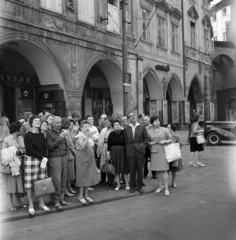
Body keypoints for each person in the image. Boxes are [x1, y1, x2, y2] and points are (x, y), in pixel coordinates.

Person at [24, 116, 51, 215]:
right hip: (31, 160)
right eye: (36, 120)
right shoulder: (28, 135)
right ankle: (30, 204)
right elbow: (30, 150)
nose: (38, 122)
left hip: (42, 160)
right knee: (29, 183)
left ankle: (41, 203)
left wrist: (45, 157)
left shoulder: (41, 135)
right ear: (31, 123)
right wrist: (42, 158)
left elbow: (44, 147)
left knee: (41, 182)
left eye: (39, 121)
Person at [46, 116, 70, 211]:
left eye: (60, 122)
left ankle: (62, 199)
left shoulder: (62, 132)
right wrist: (60, 138)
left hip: (64, 156)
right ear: (52, 124)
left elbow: (65, 144)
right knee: (57, 180)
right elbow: (50, 146)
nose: (59, 124)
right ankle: (56, 201)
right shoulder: (49, 133)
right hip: (55, 158)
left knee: (64, 179)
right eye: (57, 122)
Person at [1, 121, 25, 212]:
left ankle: (18, 202)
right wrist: (15, 152)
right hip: (10, 166)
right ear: (17, 128)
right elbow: (3, 152)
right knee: (10, 186)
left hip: (18, 165)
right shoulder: (7, 139)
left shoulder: (20, 138)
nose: (23, 129)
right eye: (21, 127)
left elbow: (23, 149)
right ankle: (10, 204)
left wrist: (21, 150)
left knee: (18, 184)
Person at [75, 120, 100, 204]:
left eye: (87, 126)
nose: (87, 128)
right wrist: (88, 136)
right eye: (84, 127)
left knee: (88, 176)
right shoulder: (79, 135)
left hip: (89, 158)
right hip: (82, 158)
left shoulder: (87, 135)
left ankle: (86, 195)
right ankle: (80, 196)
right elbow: (82, 146)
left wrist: (89, 136)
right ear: (81, 128)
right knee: (83, 176)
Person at [124, 113, 149, 193]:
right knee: (131, 169)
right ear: (129, 119)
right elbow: (125, 141)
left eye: (134, 115)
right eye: (131, 116)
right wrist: (126, 151)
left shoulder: (142, 127)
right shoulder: (126, 128)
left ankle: (139, 187)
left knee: (140, 169)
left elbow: (147, 139)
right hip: (130, 150)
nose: (133, 117)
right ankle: (132, 186)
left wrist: (142, 146)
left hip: (140, 151)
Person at [147, 116, 172, 196]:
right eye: (155, 121)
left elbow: (171, 140)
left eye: (158, 121)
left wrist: (164, 141)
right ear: (152, 123)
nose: (157, 122)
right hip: (154, 152)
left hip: (163, 151)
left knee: (164, 170)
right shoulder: (149, 131)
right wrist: (154, 142)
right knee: (157, 171)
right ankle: (160, 187)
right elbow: (147, 142)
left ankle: (166, 189)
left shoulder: (165, 130)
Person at [107, 119, 130, 190]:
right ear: (113, 127)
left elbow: (128, 143)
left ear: (120, 125)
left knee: (124, 168)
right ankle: (118, 184)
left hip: (123, 152)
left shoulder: (124, 132)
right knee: (116, 169)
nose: (117, 126)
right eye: (115, 125)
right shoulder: (111, 134)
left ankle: (127, 184)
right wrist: (108, 155)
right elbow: (109, 146)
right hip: (114, 152)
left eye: (118, 125)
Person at [61, 118, 76, 196]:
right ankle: (66, 190)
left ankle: (69, 188)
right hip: (68, 155)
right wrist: (75, 153)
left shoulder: (64, 132)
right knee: (67, 174)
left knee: (67, 174)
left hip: (67, 154)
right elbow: (70, 145)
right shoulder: (66, 133)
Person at [97, 117, 114, 186]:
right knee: (106, 164)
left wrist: (108, 140)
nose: (106, 123)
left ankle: (113, 181)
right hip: (104, 148)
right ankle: (108, 180)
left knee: (112, 164)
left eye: (107, 122)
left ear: (111, 122)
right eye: (105, 122)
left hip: (112, 148)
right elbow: (100, 139)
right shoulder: (104, 130)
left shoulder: (114, 129)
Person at [167, 123, 183, 187]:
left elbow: (180, 145)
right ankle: (165, 182)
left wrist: (175, 145)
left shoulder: (177, 136)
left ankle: (173, 182)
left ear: (171, 128)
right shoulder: (166, 135)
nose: (167, 128)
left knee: (174, 169)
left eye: (168, 127)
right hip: (167, 154)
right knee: (166, 169)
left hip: (174, 155)